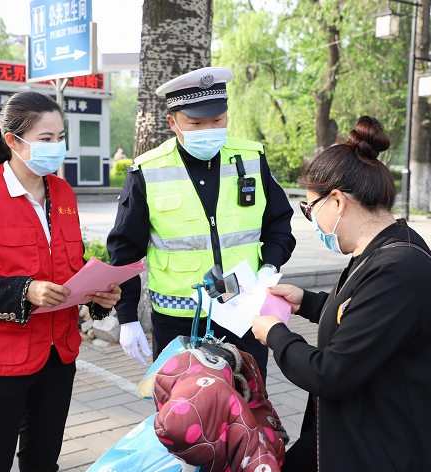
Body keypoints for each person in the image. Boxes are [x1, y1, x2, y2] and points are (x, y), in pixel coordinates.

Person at [251, 116, 431, 472]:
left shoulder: (398, 269)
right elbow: (363, 314)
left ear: (337, 201)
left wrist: (276, 335)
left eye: (310, 209)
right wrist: (308, 302)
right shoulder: (384, 247)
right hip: (357, 431)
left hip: (390, 451)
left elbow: (330, 374)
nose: (312, 221)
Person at [0, 91, 120, 472]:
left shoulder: (63, 192)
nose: (57, 147)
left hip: (57, 355)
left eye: (60, 137)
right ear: (13, 142)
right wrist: (25, 291)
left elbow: (66, 263)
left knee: (42, 462)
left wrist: (98, 294)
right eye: (45, 139)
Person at [107, 67, 295, 380]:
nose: (209, 129)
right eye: (195, 123)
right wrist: (127, 318)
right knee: (184, 415)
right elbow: (125, 250)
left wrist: (270, 267)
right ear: (173, 122)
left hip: (243, 313)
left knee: (248, 410)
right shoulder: (147, 170)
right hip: (178, 320)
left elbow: (279, 224)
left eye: (217, 120)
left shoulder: (251, 158)